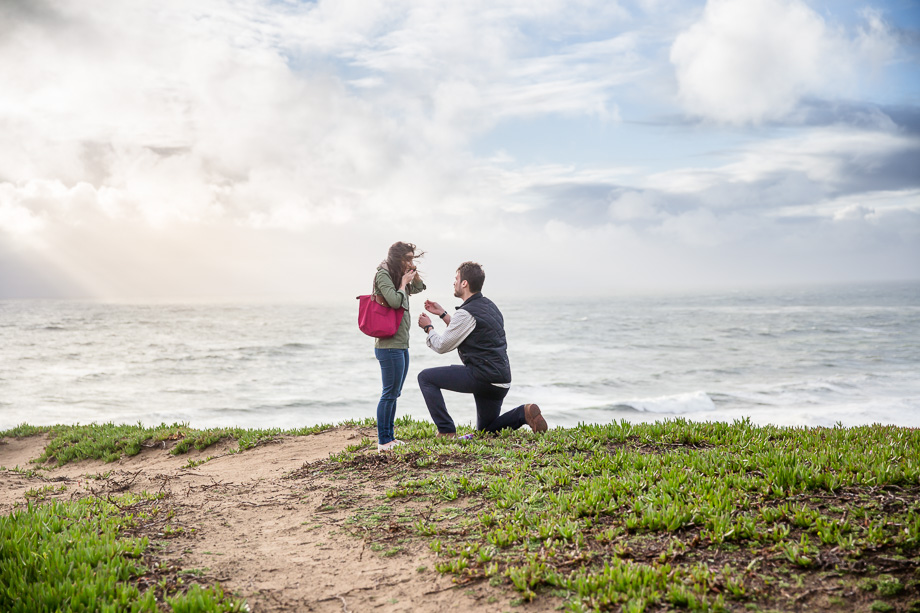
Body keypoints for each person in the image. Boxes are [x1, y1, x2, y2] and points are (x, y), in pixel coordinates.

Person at [416, 261, 547, 437]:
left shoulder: (466, 313)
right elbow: (466, 330)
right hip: (500, 380)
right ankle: (523, 413)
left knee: (425, 378)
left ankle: (446, 430)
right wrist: (442, 314)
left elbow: (441, 345)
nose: (453, 282)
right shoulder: (490, 307)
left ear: (464, 283)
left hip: (482, 377)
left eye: (456, 279)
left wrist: (428, 328)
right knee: (486, 431)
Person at [373, 242, 426, 452]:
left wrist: (413, 274)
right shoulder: (383, 275)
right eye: (407, 259)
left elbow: (419, 288)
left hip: (401, 342)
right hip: (388, 345)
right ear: (397, 258)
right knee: (388, 393)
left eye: (412, 258)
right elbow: (395, 301)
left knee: (395, 392)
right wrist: (403, 283)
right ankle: (384, 441)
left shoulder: (398, 274)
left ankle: (390, 438)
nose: (410, 262)